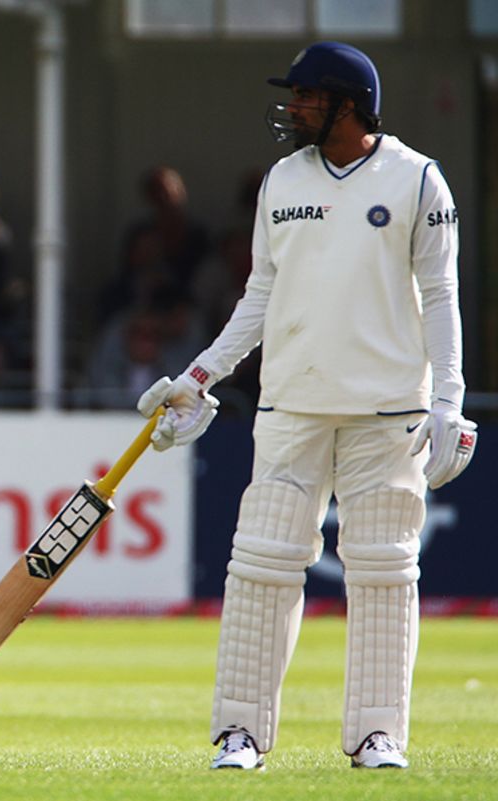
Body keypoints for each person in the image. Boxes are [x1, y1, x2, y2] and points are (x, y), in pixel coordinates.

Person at [135, 41, 476, 771]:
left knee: (383, 568)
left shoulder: (419, 181)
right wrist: (200, 375)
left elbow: (443, 298)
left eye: (306, 97)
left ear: (346, 105)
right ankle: (241, 733)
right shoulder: (282, 179)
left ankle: (378, 734)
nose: (292, 108)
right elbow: (260, 294)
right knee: (260, 563)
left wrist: (448, 400)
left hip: (388, 411)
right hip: (290, 404)